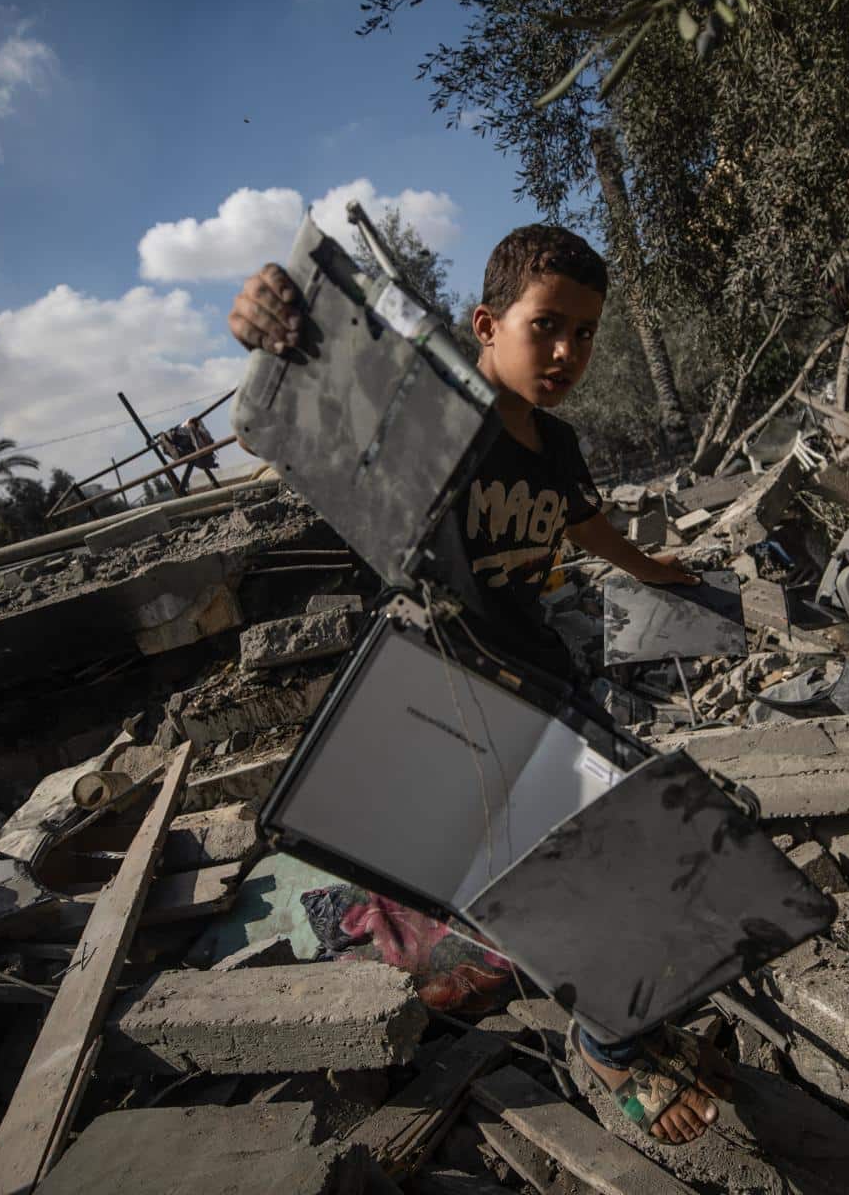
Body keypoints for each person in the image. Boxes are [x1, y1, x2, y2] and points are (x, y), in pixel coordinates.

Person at [229, 223, 734, 1145]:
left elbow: (584, 527)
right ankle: (609, 1044)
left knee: (645, 829)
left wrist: (652, 568)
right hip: (448, 692)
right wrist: (273, 318)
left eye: (586, 334)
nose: (568, 352)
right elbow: (327, 405)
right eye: (547, 327)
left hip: (541, 673)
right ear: (488, 324)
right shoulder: (436, 433)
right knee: (573, 870)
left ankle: (575, 982)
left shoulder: (557, 445)